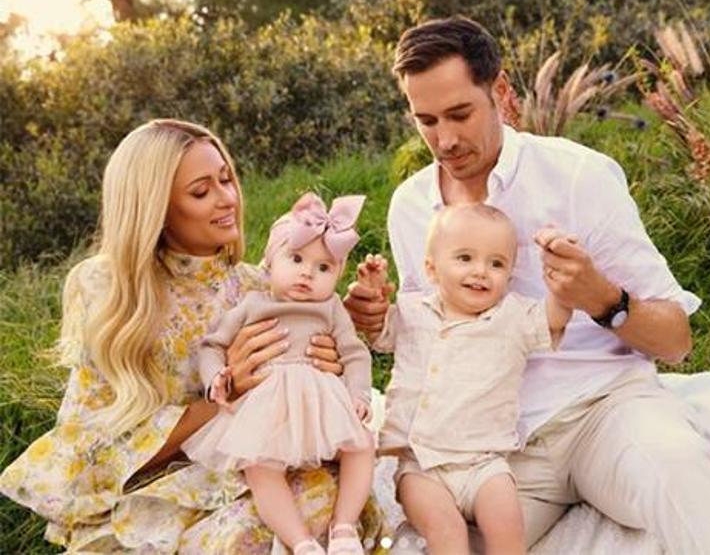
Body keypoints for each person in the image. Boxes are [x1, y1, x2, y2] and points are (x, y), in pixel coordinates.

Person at [344, 17, 710, 553]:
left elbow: (676, 340)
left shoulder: (578, 177)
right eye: (425, 121)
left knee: (681, 472)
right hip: (491, 449)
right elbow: (425, 335)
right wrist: (372, 320)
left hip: (604, 410)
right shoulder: (411, 207)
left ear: (500, 90)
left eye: (460, 114)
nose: (444, 140)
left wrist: (603, 299)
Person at [0, 119, 387, 553]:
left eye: (226, 179)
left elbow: (312, 382)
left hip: (246, 471)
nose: (227, 198)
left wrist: (336, 353)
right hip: (150, 489)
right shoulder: (109, 291)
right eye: (201, 191)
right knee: (250, 535)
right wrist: (227, 393)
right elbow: (89, 447)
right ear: (156, 208)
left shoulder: (258, 287)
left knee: (322, 501)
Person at [360, 204, 572, 555]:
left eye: (496, 264)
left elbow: (555, 319)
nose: (481, 272)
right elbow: (377, 330)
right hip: (420, 465)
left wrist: (561, 282)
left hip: (485, 463)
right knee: (447, 531)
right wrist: (373, 291)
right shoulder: (412, 312)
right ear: (431, 268)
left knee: (508, 525)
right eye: (464, 258)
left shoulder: (513, 316)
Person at [182, 191, 375, 555]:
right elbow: (212, 345)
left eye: (324, 268)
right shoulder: (252, 304)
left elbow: (354, 354)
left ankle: (344, 527)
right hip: (270, 408)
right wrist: (215, 377)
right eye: (296, 259)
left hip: (320, 404)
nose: (307, 273)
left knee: (363, 444)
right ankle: (300, 541)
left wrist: (358, 394)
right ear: (270, 262)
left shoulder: (331, 308)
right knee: (259, 466)